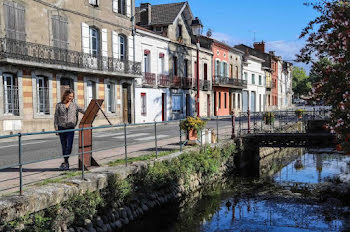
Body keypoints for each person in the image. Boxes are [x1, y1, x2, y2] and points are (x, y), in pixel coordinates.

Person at [54, 89, 85, 170]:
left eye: (72, 96)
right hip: (61, 127)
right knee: (63, 146)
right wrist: (56, 128)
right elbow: (56, 117)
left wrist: (92, 112)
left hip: (70, 127)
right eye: (70, 96)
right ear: (65, 95)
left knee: (69, 146)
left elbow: (82, 110)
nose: (71, 98)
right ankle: (66, 162)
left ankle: (65, 161)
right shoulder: (59, 105)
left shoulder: (74, 105)